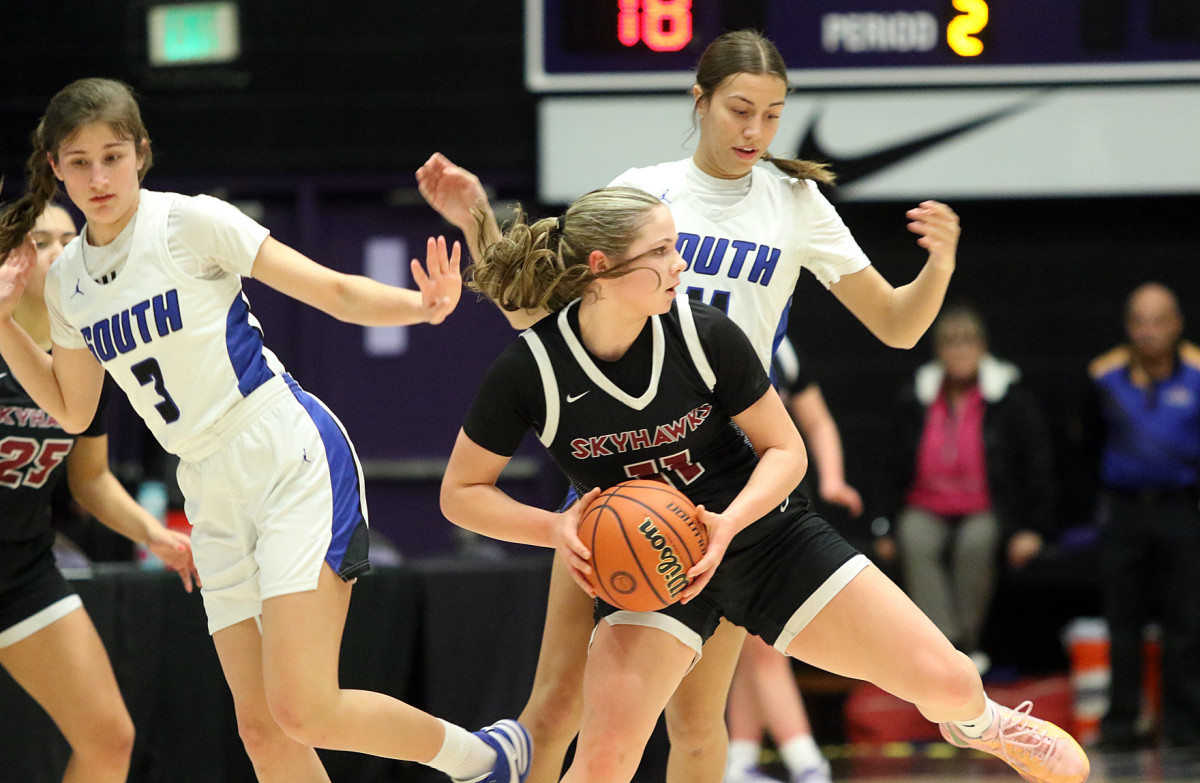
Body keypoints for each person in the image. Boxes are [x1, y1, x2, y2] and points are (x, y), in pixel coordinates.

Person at [418, 28, 962, 783]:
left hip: (722, 479)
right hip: (619, 479)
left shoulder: (796, 202)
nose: (756, 131)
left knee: (700, 725)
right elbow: (547, 312)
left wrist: (938, 268)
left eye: (773, 115)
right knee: (554, 705)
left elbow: (898, 325)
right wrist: (478, 217)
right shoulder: (646, 193)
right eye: (741, 109)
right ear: (699, 101)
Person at [439, 187, 1090, 783]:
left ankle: (985, 723)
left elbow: (786, 449)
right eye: (663, 251)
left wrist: (728, 522)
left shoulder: (703, 333)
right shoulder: (533, 369)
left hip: (759, 534)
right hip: (652, 569)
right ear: (604, 267)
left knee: (948, 678)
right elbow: (461, 492)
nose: (680, 264)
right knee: (605, 758)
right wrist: (555, 525)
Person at [0, 77, 530, 783]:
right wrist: (3, 325)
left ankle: (486, 757)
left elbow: (329, 288)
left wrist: (421, 308)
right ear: (56, 168)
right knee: (262, 729)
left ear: (141, 155)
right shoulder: (67, 280)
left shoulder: (189, 223)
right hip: (208, 484)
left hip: (283, 450)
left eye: (113, 156)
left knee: (303, 706)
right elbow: (70, 409)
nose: (98, 176)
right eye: (80, 161)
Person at [0, 202, 198, 783]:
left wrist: (154, 534)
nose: (61, 252)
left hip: (22, 572)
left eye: (71, 239)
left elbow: (89, 480)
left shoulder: (85, 358)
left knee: (110, 739)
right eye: (42, 240)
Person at [871, 304, 1056, 675]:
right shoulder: (915, 398)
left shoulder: (1009, 398)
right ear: (938, 351)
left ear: (983, 348)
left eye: (968, 342)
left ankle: (963, 645)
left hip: (985, 507)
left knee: (976, 543)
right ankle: (950, 646)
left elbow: (1037, 464)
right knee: (915, 538)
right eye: (951, 343)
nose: (959, 351)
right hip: (925, 504)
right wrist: (884, 525)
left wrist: (1033, 529)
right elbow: (888, 465)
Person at [723, 337, 862, 783]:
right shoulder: (694, 333)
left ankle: (739, 761)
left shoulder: (781, 348)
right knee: (757, 648)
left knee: (754, 646)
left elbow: (817, 421)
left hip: (770, 504)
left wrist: (834, 479)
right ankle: (807, 764)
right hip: (719, 504)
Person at [1085, 282, 1200, 750]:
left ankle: (1183, 725)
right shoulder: (1102, 376)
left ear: (1176, 323)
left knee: (1186, 622)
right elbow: (1086, 444)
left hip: (1180, 509)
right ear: (1129, 327)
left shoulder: (1197, 372)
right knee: (1122, 622)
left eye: (1159, 320)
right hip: (1126, 511)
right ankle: (1120, 725)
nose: (1149, 331)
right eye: (1140, 321)